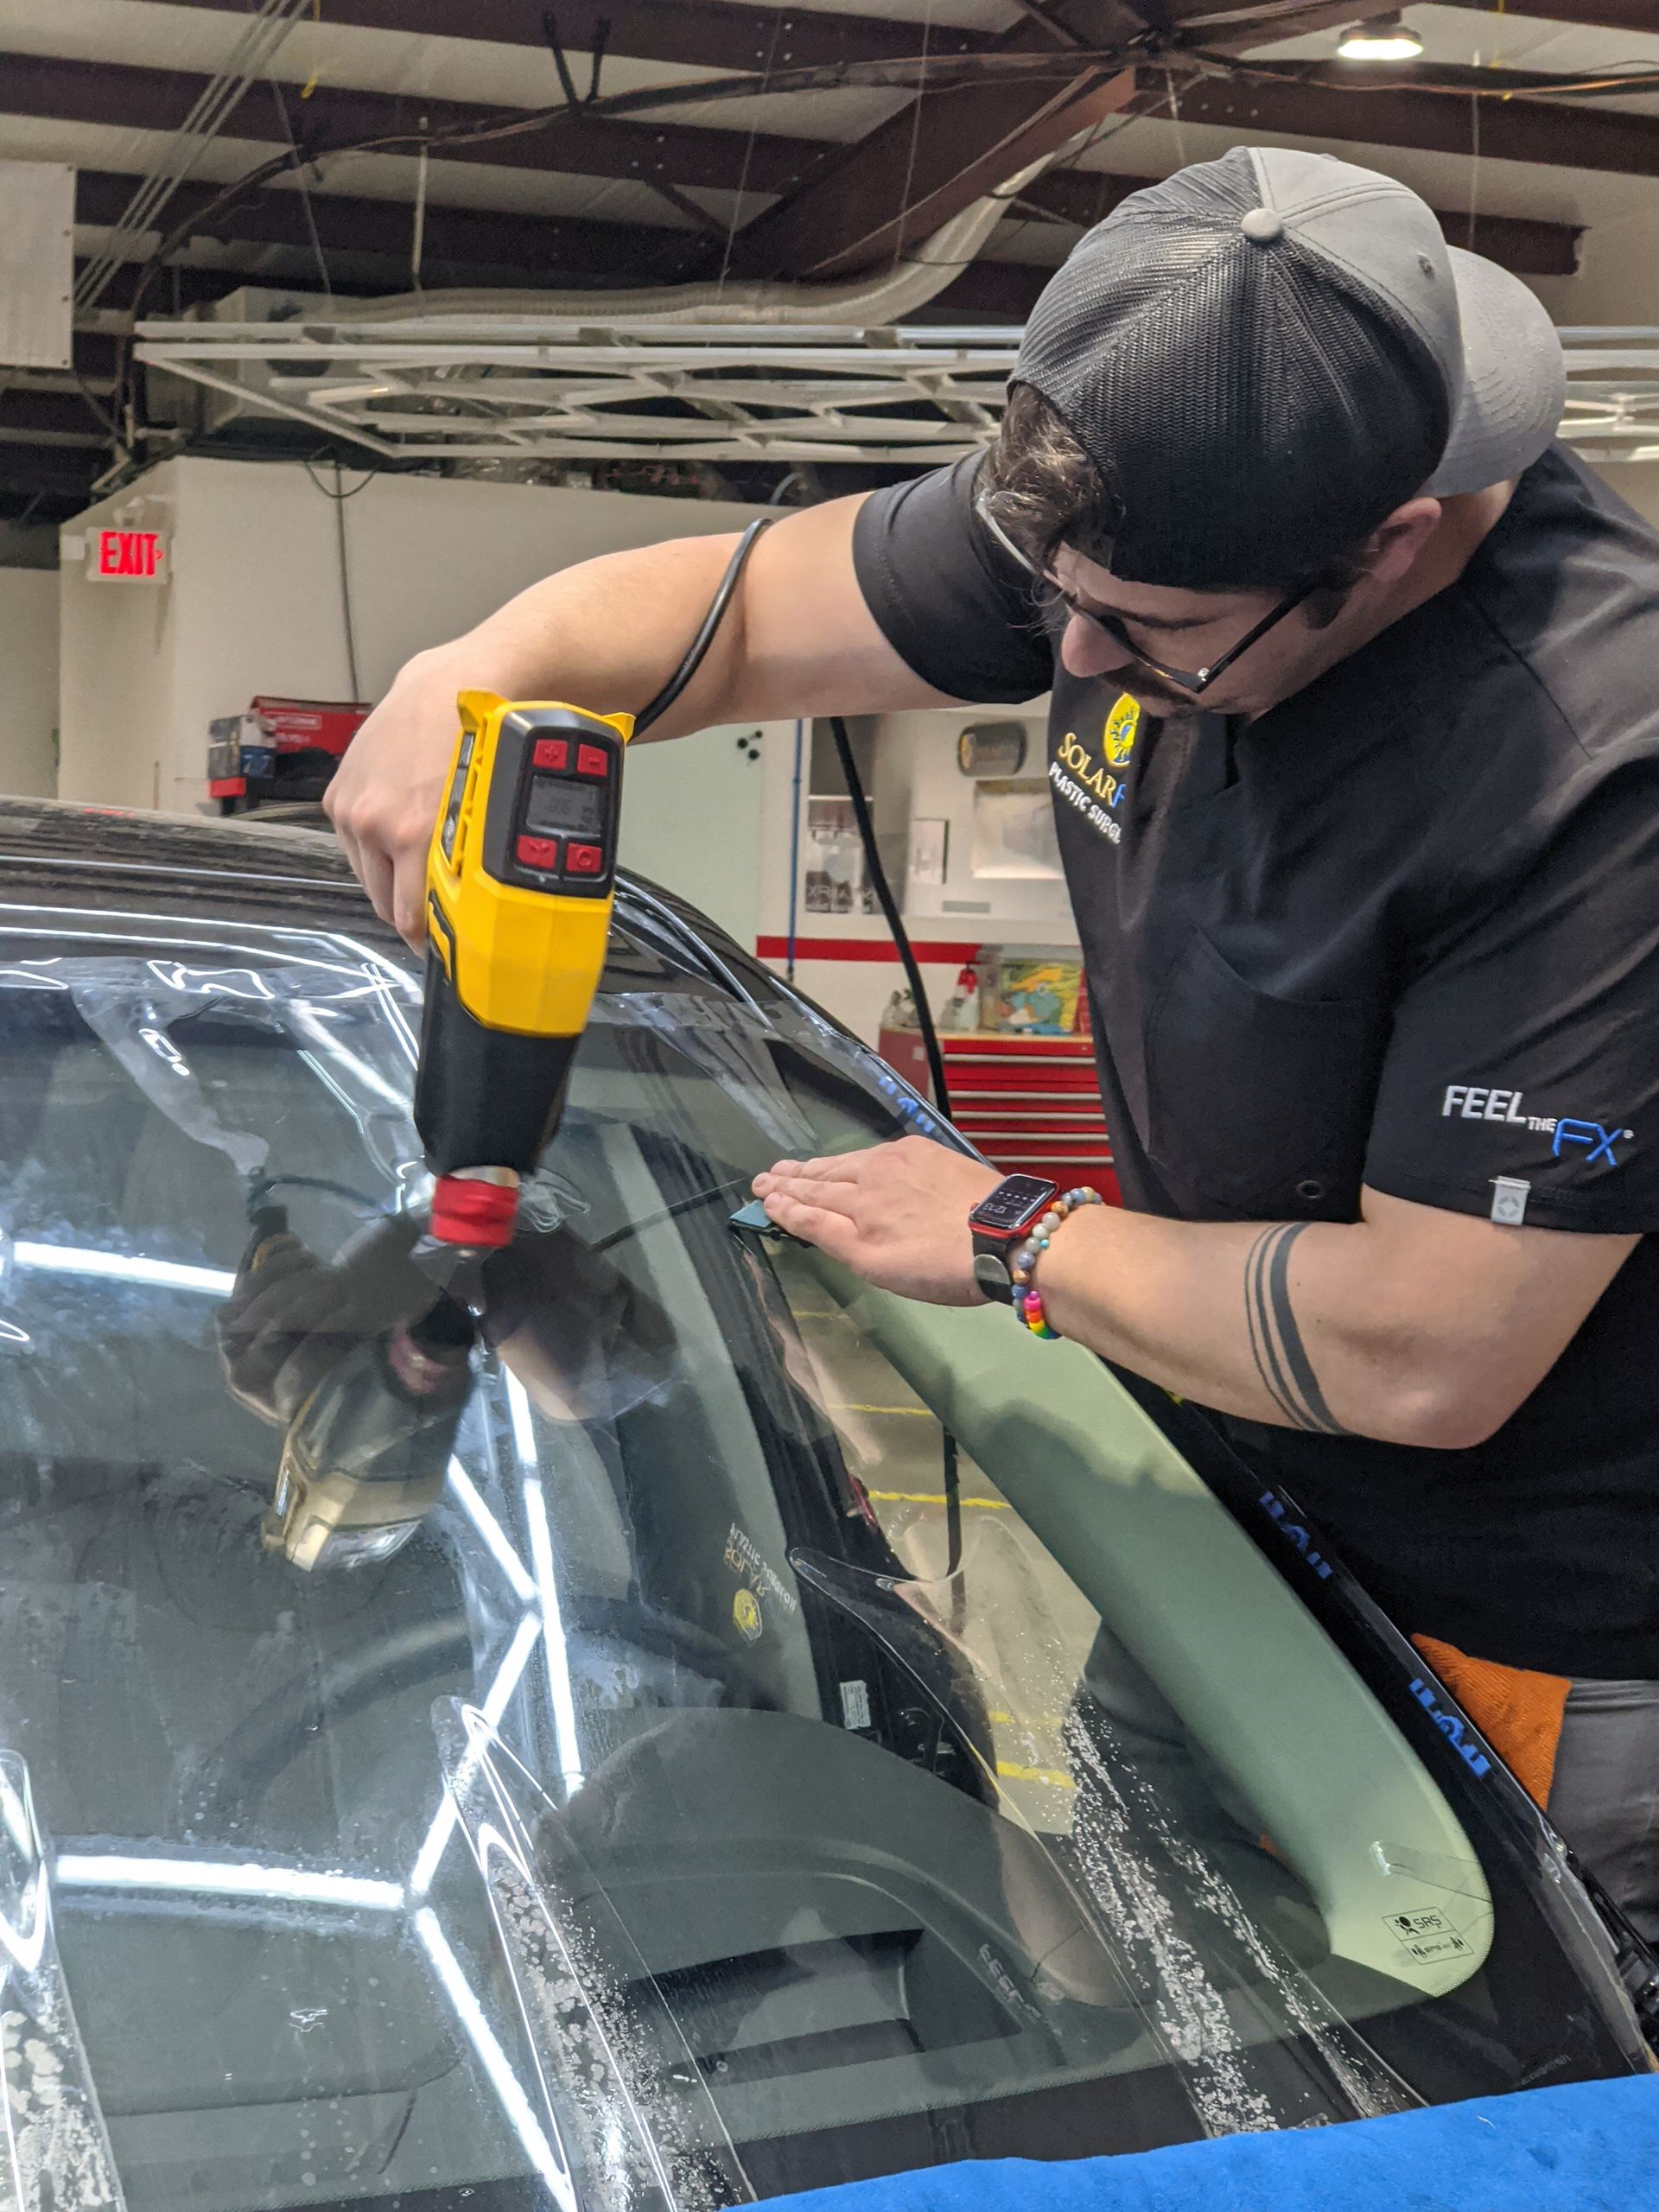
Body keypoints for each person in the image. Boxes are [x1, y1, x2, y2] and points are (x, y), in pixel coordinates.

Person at [326, 148, 1659, 1937]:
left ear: (1388, 546)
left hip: (1525, 1634)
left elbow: (1431, 1351)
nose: (1075, 651)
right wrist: (482, 661)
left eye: (1147, 635)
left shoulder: (1591, 767)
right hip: (1242, 1533)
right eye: (1057, 596)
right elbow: (738, 619)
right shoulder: (1149, 514)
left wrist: (1015, 1234)